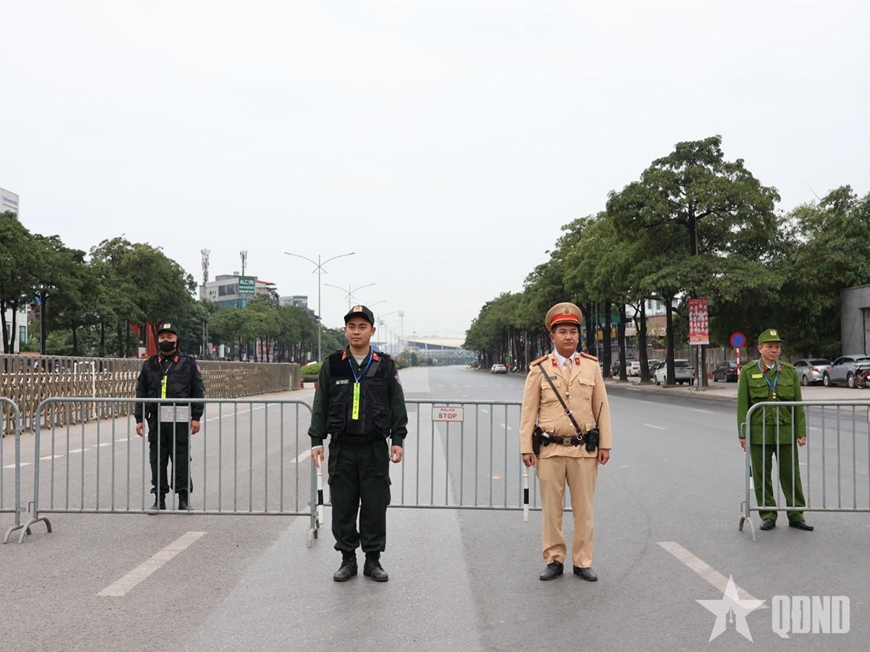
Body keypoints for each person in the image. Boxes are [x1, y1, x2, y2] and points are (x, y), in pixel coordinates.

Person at [309, 305, 409, 582]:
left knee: (375, 505)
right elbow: (320, 404)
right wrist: (317, 440)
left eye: (362, 327)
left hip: (374, 448)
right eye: (351, 326)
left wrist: (397, 439)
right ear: (345, 330)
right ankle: (348, 559)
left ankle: (373, 560)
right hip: (342, 447)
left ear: (372, 331)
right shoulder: (333, 365)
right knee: (343, 506)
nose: (356, 331)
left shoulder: (385, 365)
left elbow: (397, 404)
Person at [520, 302, 612, 582]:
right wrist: (526, 447)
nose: (568, 336)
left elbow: (601, 407)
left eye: (573, 331)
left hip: (584, 450)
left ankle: (583, 561)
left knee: (584, 511)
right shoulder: (539, 369)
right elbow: (528, 412)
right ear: (553, 336)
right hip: (550, 451)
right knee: (552, 511)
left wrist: (605, 443)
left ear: (579, 335)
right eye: (562, 331)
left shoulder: (591, 367)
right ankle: (554, 559)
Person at [737, 328, 812, 532]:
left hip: (785, 431)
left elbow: (797, 404)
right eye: (769, 346)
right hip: (759, 433)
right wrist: (743, 434)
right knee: (762, 476)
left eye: (777, 347)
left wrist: (801, 431)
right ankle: (768, 514)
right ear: (760, 348)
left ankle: (796, 514)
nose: (774, 350)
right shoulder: (748, 372)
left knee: (791, 474)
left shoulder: (789, 371)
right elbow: (743, 406)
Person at [135, 322, 205, 511]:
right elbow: (141, 392)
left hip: (180, 417)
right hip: (156, 418)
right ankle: (159, 498)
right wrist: (139, 418)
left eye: (169, 337)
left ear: (176, 340)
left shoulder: (188, 364)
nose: (165, 340)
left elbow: (197, 391)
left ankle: (183, 498)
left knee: (181, 458)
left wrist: (196, 416)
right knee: (157, 459)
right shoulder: (150, 364)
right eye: (162, 337)